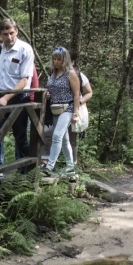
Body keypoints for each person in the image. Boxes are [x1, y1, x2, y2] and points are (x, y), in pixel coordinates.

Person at [0, 18, 35, 187]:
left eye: (11, 33)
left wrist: (6, 97)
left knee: (20, 135)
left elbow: (24, 79)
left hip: (18, 97)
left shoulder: (25, 49)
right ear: (1, 34)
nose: (9, 37)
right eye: (5, 34)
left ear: (16, 31)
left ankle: (25, 172)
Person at [41, 47, 82, 177]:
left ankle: (50, 166)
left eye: (59, 59)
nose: (56, 61)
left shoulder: (70, 73)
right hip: (55, 109)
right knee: (64, 140)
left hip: (68, 108)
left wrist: (75, 114)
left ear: (65, 60)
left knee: (57, 136)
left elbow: (76, 94)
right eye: (54, 58)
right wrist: (47, 95)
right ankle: (70, 167)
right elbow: (51, 90)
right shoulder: (53, 73)